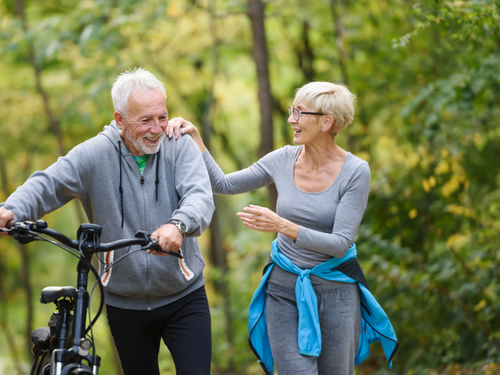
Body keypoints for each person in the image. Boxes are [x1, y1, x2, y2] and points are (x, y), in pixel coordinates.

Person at [167, 82, 398, 375]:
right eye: (292, 111)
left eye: (299, 112)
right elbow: (223, 184)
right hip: (283, 289)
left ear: (326, 122)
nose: (291, 119)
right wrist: (196, 138)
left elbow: (339, 243)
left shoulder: (355, 171)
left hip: (337, 293)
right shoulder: (283, 158)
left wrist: (282, 226)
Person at [0, 68, 215, 375]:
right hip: (124, 303)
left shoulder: (179, 144)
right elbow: (48, 183)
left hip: (184, 296)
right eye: (146, 120)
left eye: (162, 116)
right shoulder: (95, 154)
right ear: (120, 120)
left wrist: (178, 224)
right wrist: (12, 210)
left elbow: (200, 196)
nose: (157, 128)